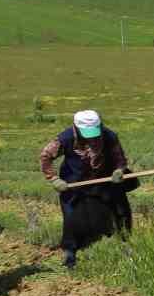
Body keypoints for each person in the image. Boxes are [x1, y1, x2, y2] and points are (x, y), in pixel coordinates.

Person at [38, 109, 136, 267]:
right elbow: (45, 157)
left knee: (120, 210)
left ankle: (125, 243)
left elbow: (120, 158)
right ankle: (70, 253)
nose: (92, 138)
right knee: (71, 215)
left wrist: (119, 170)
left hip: (105, 178)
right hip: (74, 181)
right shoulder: (65, 139)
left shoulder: (109, 136)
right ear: (76, 128)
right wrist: (54, 179)